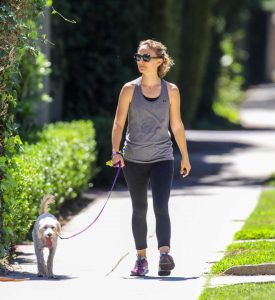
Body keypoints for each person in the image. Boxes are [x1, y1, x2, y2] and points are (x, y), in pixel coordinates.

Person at [111, 39, 191, 276]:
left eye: (146, 57)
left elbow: (176, 125)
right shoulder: (129, 89)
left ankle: (165, 255)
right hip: (133, 158)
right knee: (139, 208)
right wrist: (115, 151)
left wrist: (185, 156)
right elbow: (118, 122)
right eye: (139, 57)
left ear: (160, 61)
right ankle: (141, 259)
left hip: (162, 157)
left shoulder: (171, 91)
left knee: (160, 205)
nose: (141, 61)